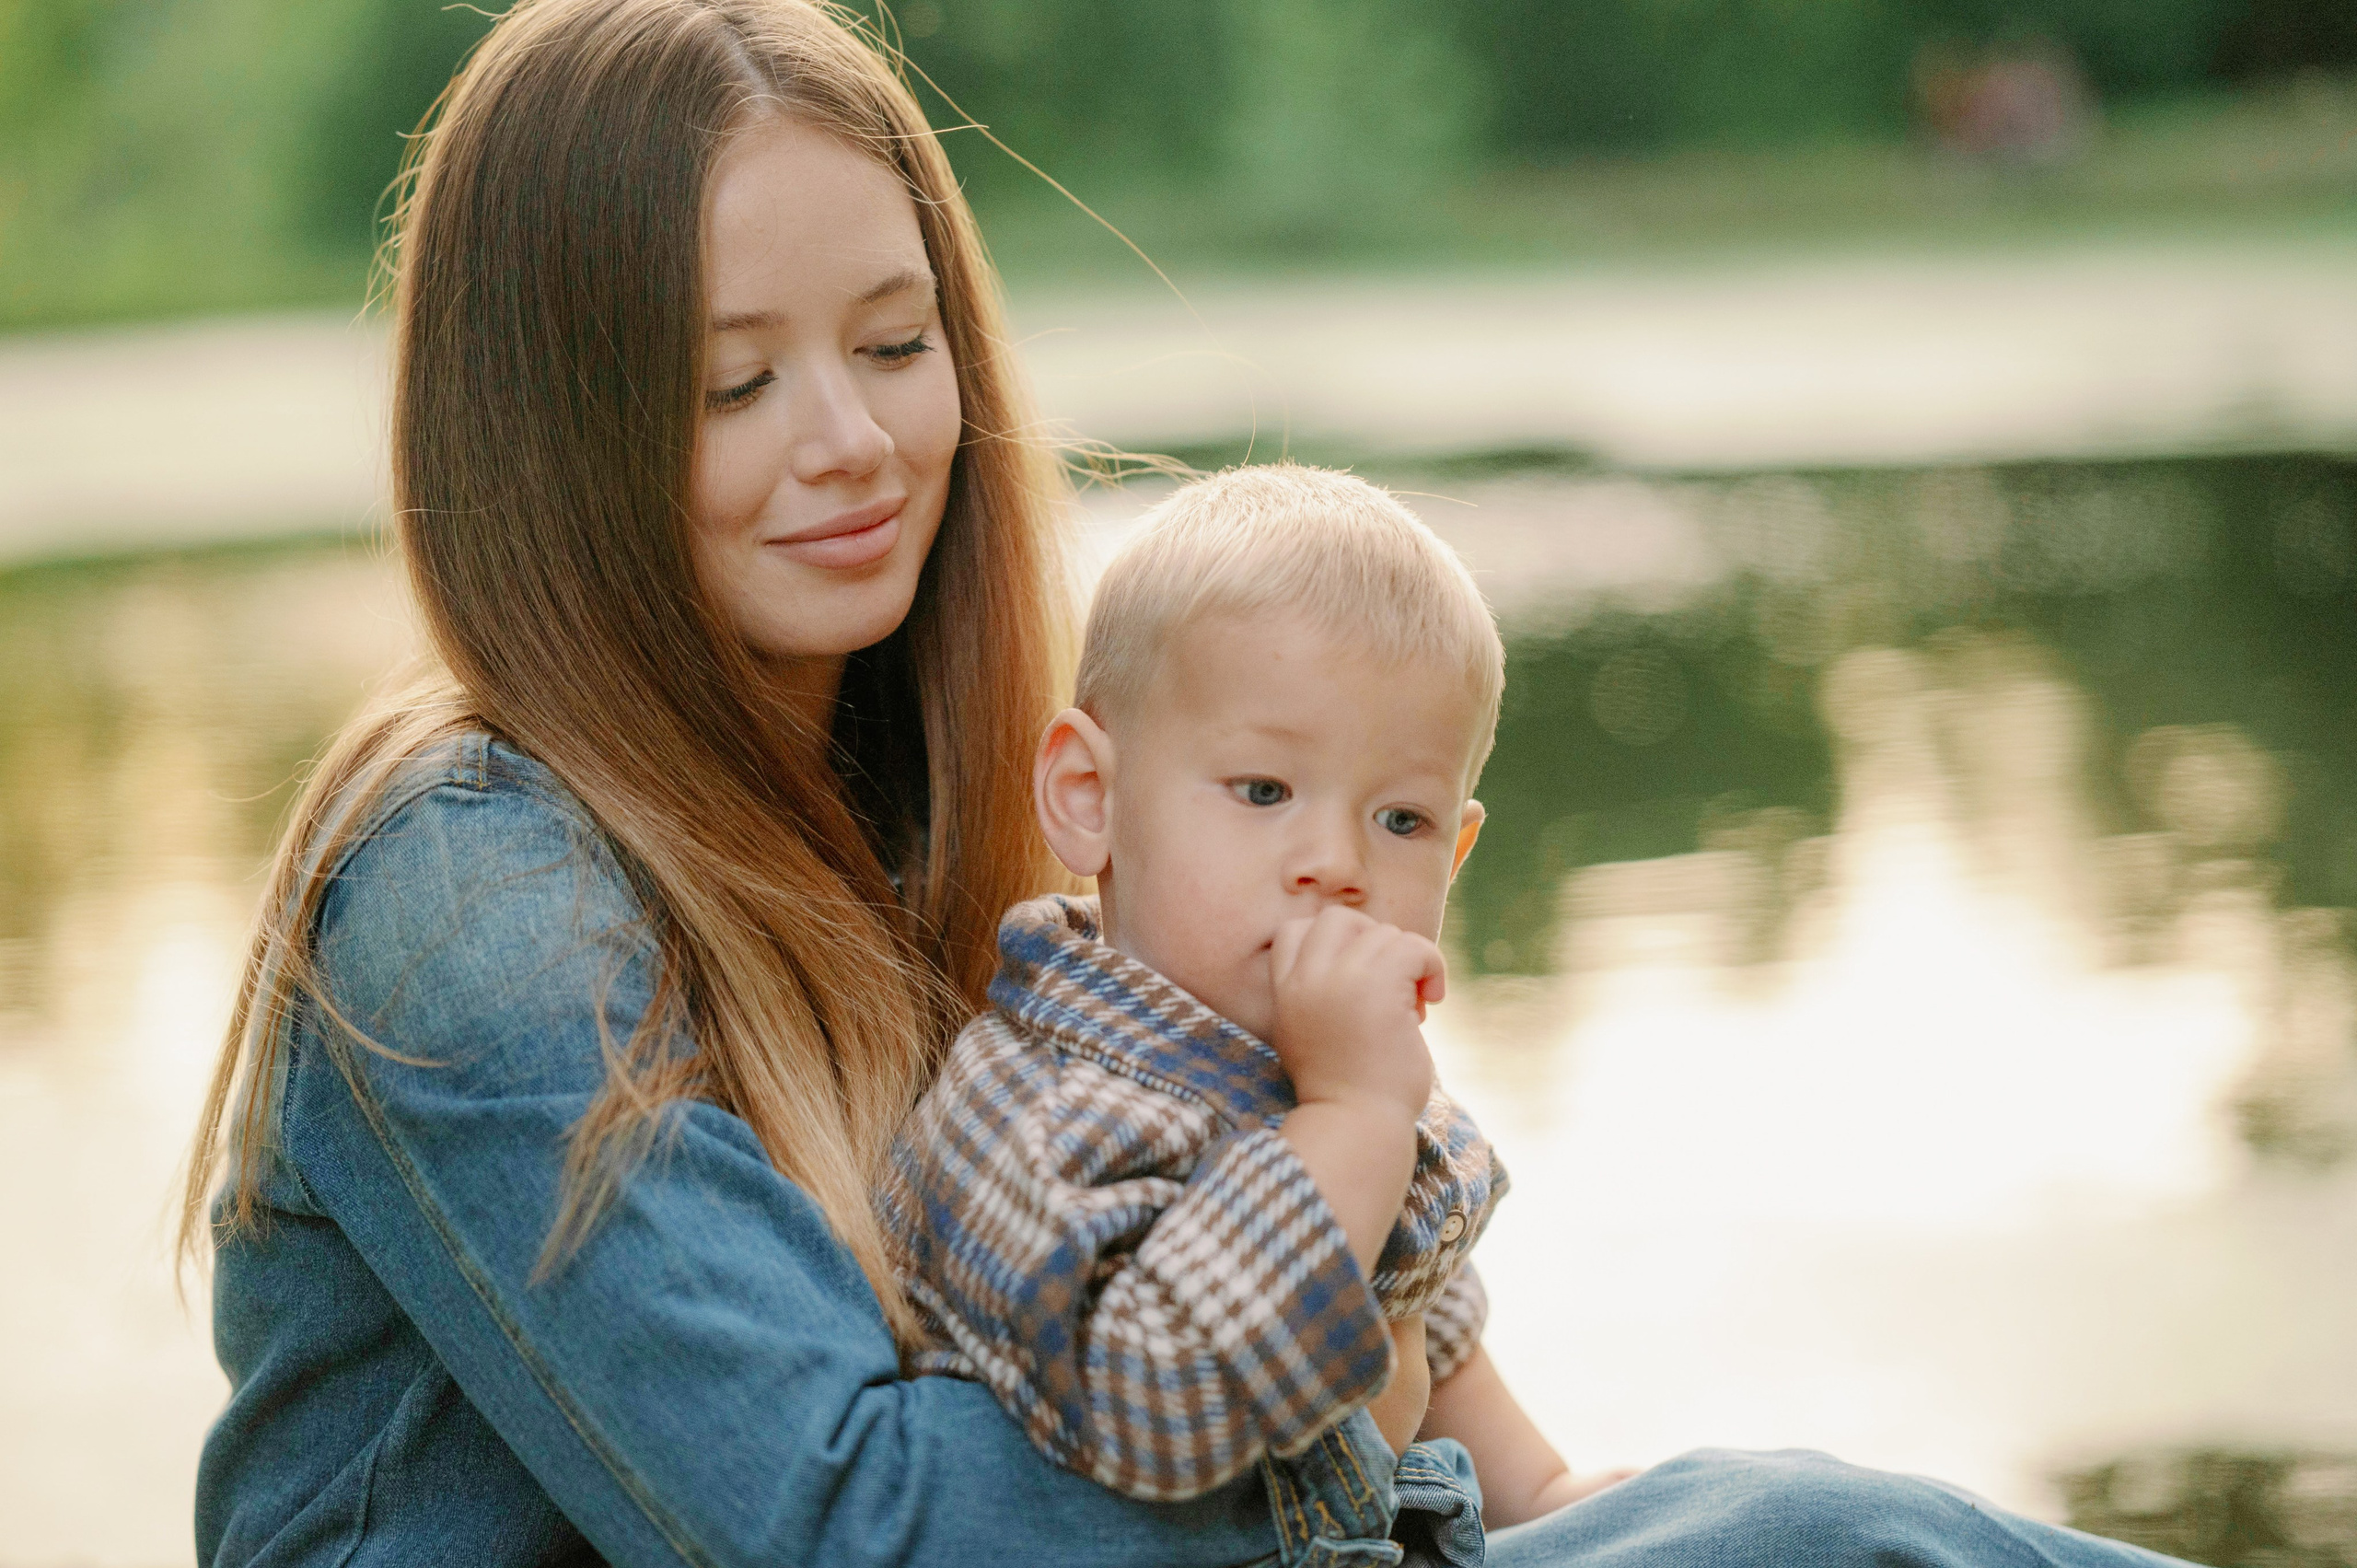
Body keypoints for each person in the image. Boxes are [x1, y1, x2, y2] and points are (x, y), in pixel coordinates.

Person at [178, 2, 2202, 1563]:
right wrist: (1367, 1382)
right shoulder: (472, 893)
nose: (851, 440)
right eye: (732, 381)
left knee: (1791, 1520)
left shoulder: (913, 801)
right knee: (1793, 1534)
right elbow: (850, 1528)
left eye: (892, 344)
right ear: (549, 432)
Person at [879, 467, 1620, 1558]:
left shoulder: (1321, 1058)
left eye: (1399, 818)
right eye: (1265, 791)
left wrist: (1550, 1493)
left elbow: (1425, 1310)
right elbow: (1150, 1404)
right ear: (1090, 797)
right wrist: (1357, 1116)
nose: (1335, 863)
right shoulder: (1030, 1110)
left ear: (1457, 852)